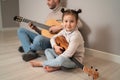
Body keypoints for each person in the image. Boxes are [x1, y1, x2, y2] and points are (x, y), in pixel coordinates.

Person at [30, 8, 99, 79]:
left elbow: (68, 54)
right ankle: (55, 65)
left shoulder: (76, 36)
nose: (68, 24)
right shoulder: (64, 31)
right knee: (47, 50)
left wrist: (51, 60)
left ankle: (43, 63)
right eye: (66, 21)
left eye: (72, 21)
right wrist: (55, 47)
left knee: (60, 60)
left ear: (76, 22)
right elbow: (53, 38)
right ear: (62, 23)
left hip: (74, 60)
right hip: (64, 53)